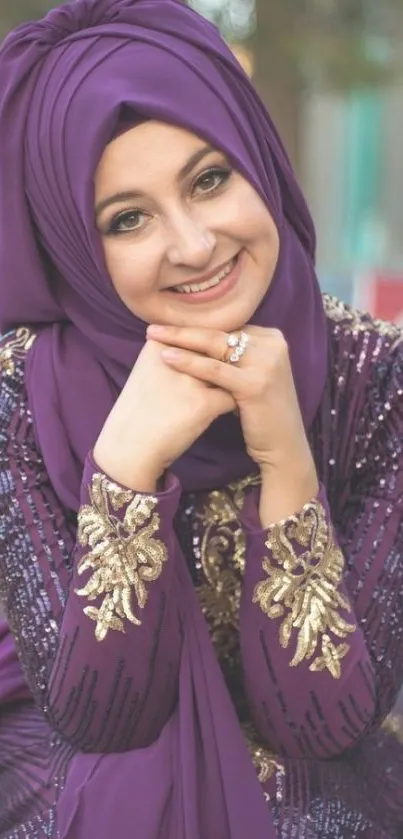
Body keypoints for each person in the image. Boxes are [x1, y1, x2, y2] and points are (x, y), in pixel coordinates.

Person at [0, 0, 402, 837]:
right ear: (72, 242)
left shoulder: (377, 376)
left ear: (261, 163)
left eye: (210, 178)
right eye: (127, 218)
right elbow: (100, 721)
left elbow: (327, 722)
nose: (192, 244)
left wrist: (288, 462)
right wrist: (123, 474)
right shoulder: (22, 390)